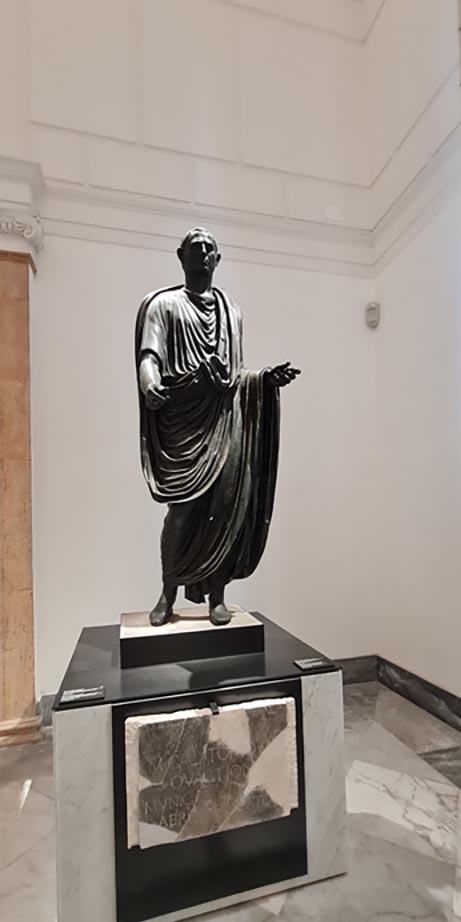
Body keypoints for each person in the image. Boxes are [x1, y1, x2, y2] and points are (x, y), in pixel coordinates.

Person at [135, 227, 300, 627]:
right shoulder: (164, 306)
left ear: (218, 259)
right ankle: (167, 591)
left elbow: (234, 375)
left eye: (209, 249)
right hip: (184, 423)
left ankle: (217, 595)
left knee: (225, 510)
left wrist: (263, 380)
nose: (203, 254)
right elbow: (149, 354)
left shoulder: (231, 312)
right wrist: (149, 381)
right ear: (181, 256)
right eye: (195, 248)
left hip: (225, 424)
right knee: (182, 512)